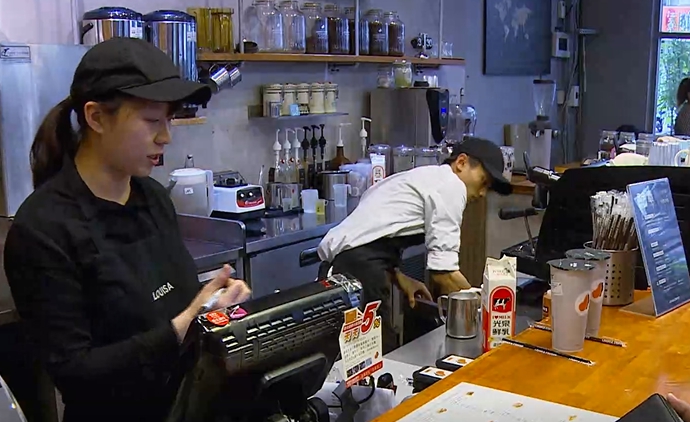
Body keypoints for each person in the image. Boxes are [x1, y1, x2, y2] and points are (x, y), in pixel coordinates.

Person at [3, 38, 251, 422]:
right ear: (97, 118)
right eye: (152, 121)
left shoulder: (153, 198)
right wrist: (185, 323)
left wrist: (212, 308)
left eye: (168, 120)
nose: (165, 136)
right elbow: (76, 373)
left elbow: (179, 307)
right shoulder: (43, 229)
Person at [317, 137, 512, 352]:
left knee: (358, 350)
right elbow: (444, 274)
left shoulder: (426, 177)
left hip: (348, 264)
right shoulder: (452, 186)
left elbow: (376, 231)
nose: (482, 193)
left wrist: (398, 276)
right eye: (483, 182)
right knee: (371, 352)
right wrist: (485, 311)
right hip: (355, 269)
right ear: (461, 163)